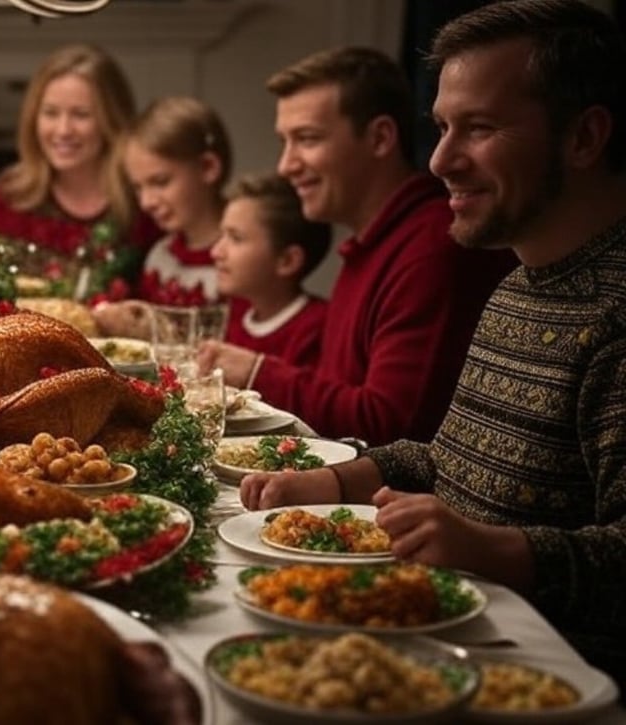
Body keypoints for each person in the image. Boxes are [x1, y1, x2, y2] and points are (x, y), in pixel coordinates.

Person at [242, 0, 626, 687]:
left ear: (585, 137)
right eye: (443, 128)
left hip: (545, 681)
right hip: (451, 639)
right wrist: (331, 481)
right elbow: (445, 458)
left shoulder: (616, 314)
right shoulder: (518, 284)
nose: (443, 159)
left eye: (478, 128)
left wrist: (497, 550)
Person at [197, 46, 516, 446]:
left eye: (307, 139)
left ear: (380, 137)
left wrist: (259, 371)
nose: (286, 165)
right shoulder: (370, 244)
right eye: (285, 142)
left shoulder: (433, 246)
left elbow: (390, 429)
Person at [0, 44, 159, 303]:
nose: (63, 130)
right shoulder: (10, 192)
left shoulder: (142, 200)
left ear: (111, 119)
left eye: (81, 114)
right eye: (51, 113)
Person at [120, 96, 232, 307]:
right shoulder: (161, 256)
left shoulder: (243, 258)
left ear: (208, 167)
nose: (146, 202)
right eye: (138, 187)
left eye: (160, 182)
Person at [212, 173, 330, 367]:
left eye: (236, 238)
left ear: (287, 261)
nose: (216, 252)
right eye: (222, 235)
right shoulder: (235, 316)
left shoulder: (317, 330)